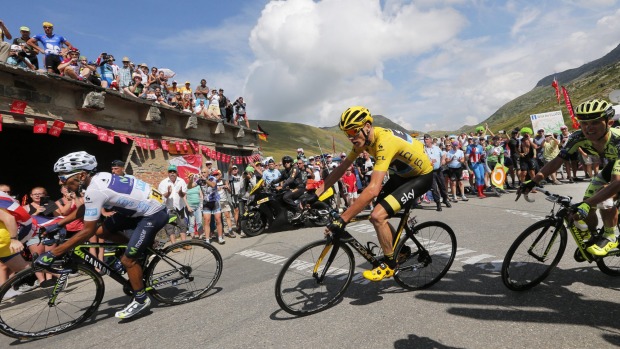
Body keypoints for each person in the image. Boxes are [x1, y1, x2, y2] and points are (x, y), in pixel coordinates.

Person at [35, 151, 169, 319]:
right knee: (101, 231)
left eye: (63, 178)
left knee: (128, 260)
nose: (60, 182)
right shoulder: (98, 177)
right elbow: (85, 208)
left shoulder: (95, 189)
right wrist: (58, 224)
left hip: (153, 213)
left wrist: (54, 253)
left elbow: (86, 231)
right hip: (138, 209)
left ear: (82, 175)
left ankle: (141, 299)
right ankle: (137, 252)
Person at [310, 106, 433, 281]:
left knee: (377, 216)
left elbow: (373, 189)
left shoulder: (384, 141)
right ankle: (401, 250)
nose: (351, 137)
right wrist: (316, 194)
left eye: (353, 131)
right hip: (402, 176)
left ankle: (390, 265)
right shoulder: (364, 141)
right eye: (347, 133)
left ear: (367, 126)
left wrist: (342, 219)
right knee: (379, 212)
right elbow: (342, 168)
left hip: (421, 177)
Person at [520, 99, 620, 256]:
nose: (588, 128)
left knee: (603, 198)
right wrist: (534, 180)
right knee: (588, 204)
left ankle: (610, 236)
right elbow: (558, 160)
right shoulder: (577, 137)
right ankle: (593, 237)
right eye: (584, 123)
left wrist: (588, 203)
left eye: (594, 122)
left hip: (617, 170)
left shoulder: (618, 140)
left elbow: (617, 182)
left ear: (610, 122)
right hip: (612, 165)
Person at [0, 184, 36, 289]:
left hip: (3, 241)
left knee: (23, 267)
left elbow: (9, 219)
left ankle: (59, 270)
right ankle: (58, 271)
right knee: (23, 267)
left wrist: (14, 240)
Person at [158, 165, 190, 251]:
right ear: (168, 173)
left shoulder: (181, 181)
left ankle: (184, 243)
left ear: (176, 173)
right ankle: (174, 246)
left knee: (183, 225)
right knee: (170, 226)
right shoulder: (163, 183)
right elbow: (161, 197)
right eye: (170, 171)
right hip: (169, 208)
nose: (172, 173)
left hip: (180, 207)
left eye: (174, 171)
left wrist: (180, 193)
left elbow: (184, 195)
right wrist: (168, 193)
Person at [424, 134, 451, 210]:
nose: (425, 140)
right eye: (424, 139)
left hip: (438, 170)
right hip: (430, 171)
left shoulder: (436, 148)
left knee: (442, 186)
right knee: (434, 188)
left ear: (431, 139)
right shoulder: (424, 149)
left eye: (427, 139)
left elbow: (443, 155)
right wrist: (428, 161)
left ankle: (445, 200)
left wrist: (442, 159)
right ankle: (438, 203)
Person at [275, 155, 305, 219]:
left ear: (291, 162)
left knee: (286, 197)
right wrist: (270, 183)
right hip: (292, 189)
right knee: (279, 195)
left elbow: (291, 179)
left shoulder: (294, 168)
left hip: (299, 188)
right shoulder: (285, 171)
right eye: (285, 162)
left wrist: (282, 186)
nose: (286, 163)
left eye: (288, 162)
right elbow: (279, 179)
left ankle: (298, 211)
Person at [184, 173, 203, 238]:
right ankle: (193, 237)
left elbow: (201, 195)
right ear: (188, 178)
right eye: (190, 177)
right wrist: (188, 207)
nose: (191, 178)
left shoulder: (197, 186)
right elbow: (184, 198)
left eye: (192, 177)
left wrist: (201, 204)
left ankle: (200, 236)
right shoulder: (187, 187)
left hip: (198, 206)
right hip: (191, 207)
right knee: (191, 223)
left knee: (199, 222)